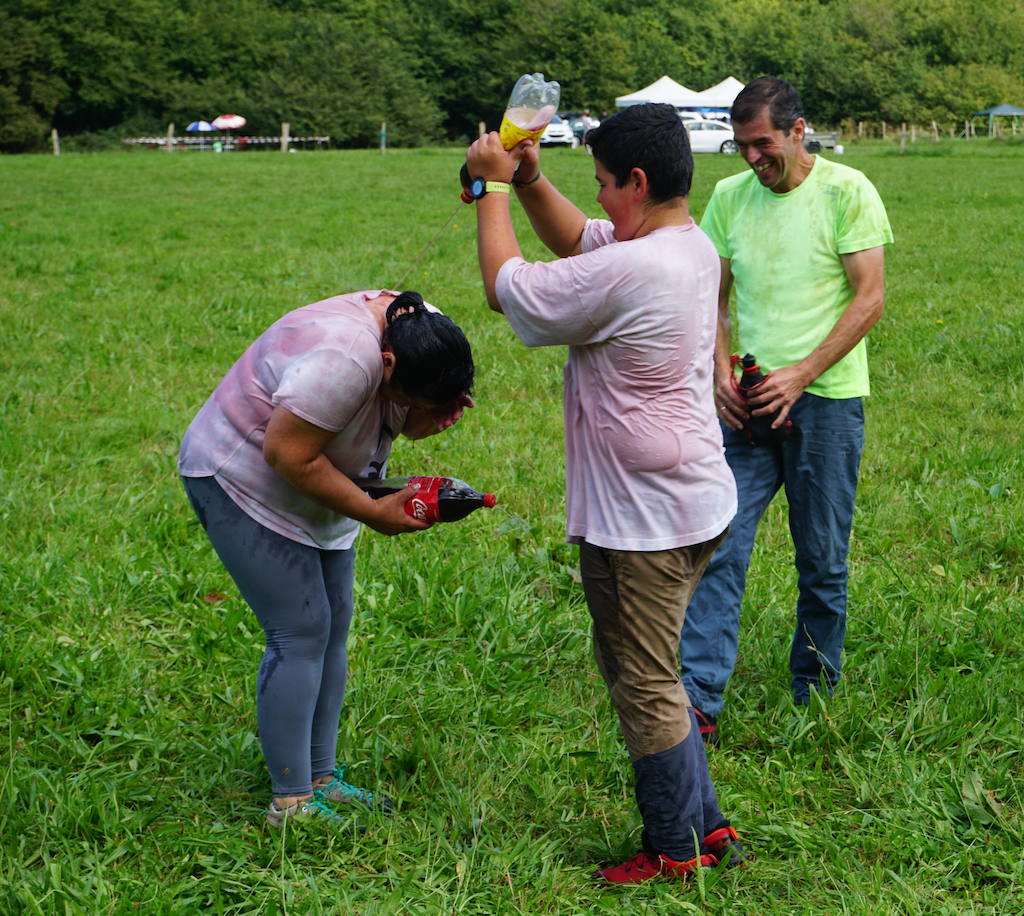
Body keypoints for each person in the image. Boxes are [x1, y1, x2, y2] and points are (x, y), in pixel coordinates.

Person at [463, 103, 744, 883]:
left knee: (643, 683)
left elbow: (505, 287)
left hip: (643, 520)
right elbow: (583, 238)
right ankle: (707, 827)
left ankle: (674, 850)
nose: (599, 203)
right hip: (690, 499)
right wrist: (529, 182)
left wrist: (488, 190)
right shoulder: (684, 246)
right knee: (657, 672)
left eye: (604, 186)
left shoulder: (635, 267)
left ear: (640, 181)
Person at [179, 290, 476, 827]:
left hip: (316, 477)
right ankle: (290, 804)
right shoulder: (341, 355)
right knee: (300, 629)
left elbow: (394, 411)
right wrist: (371, 511)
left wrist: (427, 415)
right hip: (242, 475)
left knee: (333, 625)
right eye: (418, 398)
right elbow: (286, 453)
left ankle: (320, 779)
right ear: (387, 364)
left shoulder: (420, 330)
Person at [678, 77, 892, 743]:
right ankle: (698, 699)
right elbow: (709, 295)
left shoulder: (847, 190)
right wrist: (718, 370)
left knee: (822, 555)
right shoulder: (727, 197)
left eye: (763, 144)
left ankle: (815, 688)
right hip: (745, 405)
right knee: (716, 545)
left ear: (799, 132)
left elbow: (870, 297)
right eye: (741, 146)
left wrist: (801, 374)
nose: (751, 159)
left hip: (824, 402)